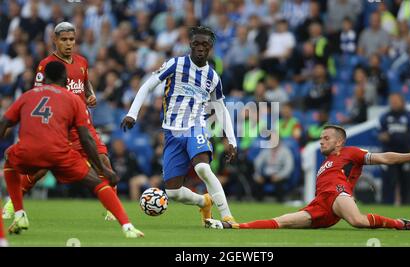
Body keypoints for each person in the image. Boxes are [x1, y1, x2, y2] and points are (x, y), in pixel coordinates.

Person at [0, 61, 143, 238]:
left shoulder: (27, 95)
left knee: (9, 161)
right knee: (97, 183)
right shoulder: (73, 99)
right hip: (58, 151)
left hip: (28, 149)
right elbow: (86, 138)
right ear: (66, 79)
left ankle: (20, 212)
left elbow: (4, 122)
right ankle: (127, 226)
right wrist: (103, 168)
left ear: (44, 78)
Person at [205, 125, 410, 231]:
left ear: (339, 141)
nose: (321, 141)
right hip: (320, 204)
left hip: (338, 193)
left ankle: (402, 224)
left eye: (326, 138)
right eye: (321, 138)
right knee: (283, 221)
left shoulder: (351, 152)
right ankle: (232, 226)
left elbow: (385, 158)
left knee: (357, 222)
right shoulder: (324, 162)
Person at [121, 26, 238, 224]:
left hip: (196, 127)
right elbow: (148, 85)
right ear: (190, 45)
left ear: (210, 48)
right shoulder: (175, 64)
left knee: (202, 168)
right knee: (173, 192)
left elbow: (220, 108)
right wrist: (133, 113)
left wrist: (232, 140)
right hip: (171, 133)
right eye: (196, 44)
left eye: (205, 45)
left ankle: (227, 216)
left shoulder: (212, 77)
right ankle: (204, 202)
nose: (200, 48)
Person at [2, 22, 117, 221]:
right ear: (54, 40)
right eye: (64, 40)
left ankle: (112, 211)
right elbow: (38, 94)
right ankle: (13, 202)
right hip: (58, 126)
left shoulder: (82, 62)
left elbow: (85, 85)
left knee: (103, 160)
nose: (68, 43)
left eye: (71, 39)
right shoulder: (47, 65)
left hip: (82, 125)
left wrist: (91, 96)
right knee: (40, 170)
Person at [378, 93, 410, 205]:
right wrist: (381, 135)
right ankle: (387, 205)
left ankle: (409, 206)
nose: (394, 103)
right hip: (389, 154)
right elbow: (377, 132)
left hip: (405, 154)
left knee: (407, 182)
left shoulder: (409, 117)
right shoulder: (384, 117)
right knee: (389, 182)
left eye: (396, 101)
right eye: (392, 101)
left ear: (402, 102)